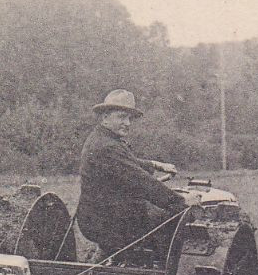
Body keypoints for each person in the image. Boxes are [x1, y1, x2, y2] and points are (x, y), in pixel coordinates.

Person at [74, 89, 197, 262]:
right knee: (175, 216)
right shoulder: (108, 147)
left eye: (129, 118)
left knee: (154, 212)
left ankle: (112, 256)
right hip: (110, 221)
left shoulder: (101, 139)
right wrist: (181, 200)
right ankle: (163, 270)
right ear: (105, 118)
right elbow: (142, 181)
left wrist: (155, 165)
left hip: (99, 216)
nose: (127, 123)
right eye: (121, 117)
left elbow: (126, 164)